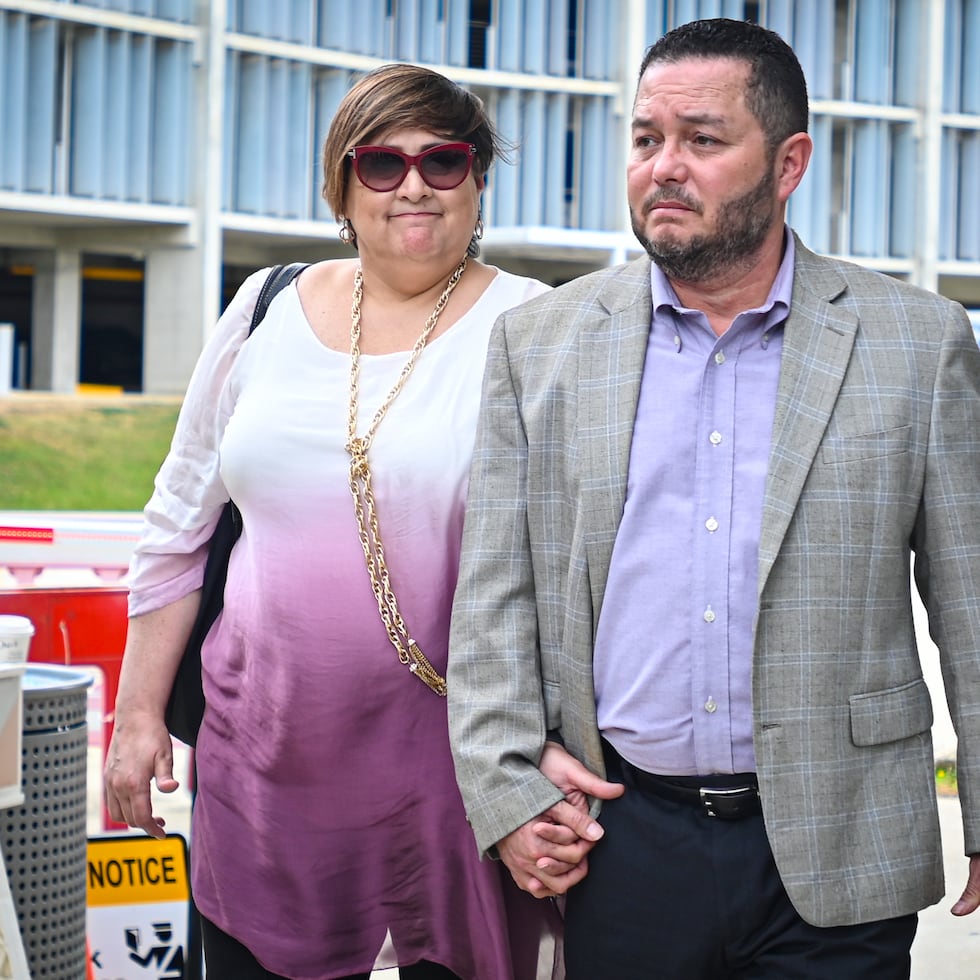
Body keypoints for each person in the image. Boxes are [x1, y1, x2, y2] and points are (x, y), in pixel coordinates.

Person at [447, 17, 980, 980]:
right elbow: (493, 596)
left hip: (841, 833)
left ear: (788, 162)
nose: (663, 167)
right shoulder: (541, 345)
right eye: (647, 140)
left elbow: (972, 602)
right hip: (621, 843)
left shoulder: (919, 342)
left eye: (701, 139)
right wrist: (506, 790)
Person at [104, 63, 559, 980]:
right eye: (381, 164)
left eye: (445, 159)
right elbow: (178, 523)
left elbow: (577, 571)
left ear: (479, 180)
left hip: (451, 775)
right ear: (342, 187)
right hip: (262, 764)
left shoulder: (534, 326)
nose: (415, 184)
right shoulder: (265, 304)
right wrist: (137, 714)